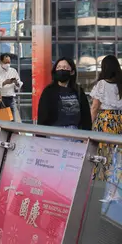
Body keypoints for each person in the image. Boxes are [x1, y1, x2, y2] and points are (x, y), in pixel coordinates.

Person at [90, 55, 122, 190]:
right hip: (119, 120)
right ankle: (117, 184)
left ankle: (102, 184)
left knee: (103, 153)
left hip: (104, 121)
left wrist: (89, 126)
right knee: (118, 153)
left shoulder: (102, 84)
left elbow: (95, 107)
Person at [37, 57, 91, 130]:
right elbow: (42, 116)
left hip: (76, 133)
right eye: (58, 67)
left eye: (65, 67)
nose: (61, 69)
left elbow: (86, 115)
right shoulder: (49, 91)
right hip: (55, 133)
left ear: (72, 72)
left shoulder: (78, 90)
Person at [0, 54, 23, 122]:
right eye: (5, 62)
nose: (7, 64)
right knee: (2, 122)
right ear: (1, 62)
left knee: (12, 121)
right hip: (1, 99)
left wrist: (16, 83)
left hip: (11, 98)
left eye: (9, 62)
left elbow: (19, 83)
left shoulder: (13, 71)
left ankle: (12, 132)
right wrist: (4, 83)